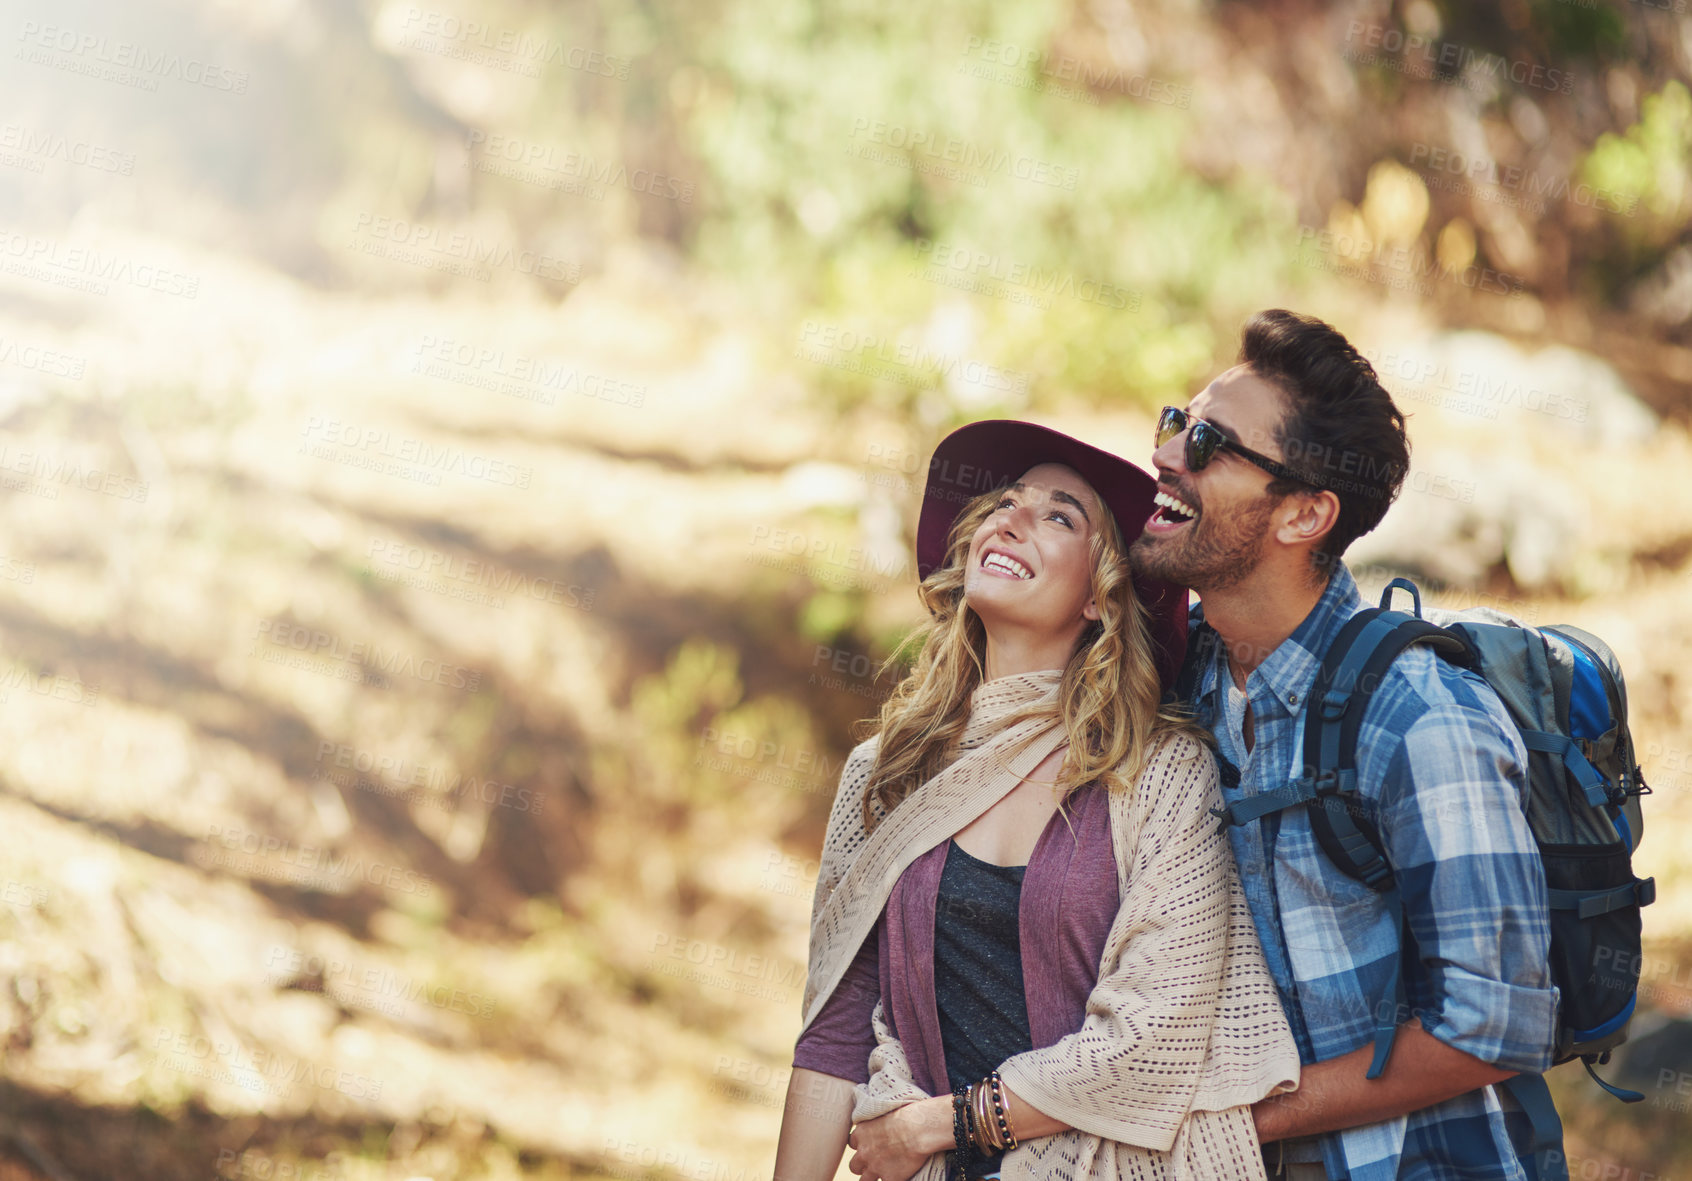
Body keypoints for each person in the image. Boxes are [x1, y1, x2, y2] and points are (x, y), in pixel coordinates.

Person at [773, 420, 1299, 1181]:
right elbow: (835, 1035)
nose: (1011, 518)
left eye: (1059, 516)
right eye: (1005, 503)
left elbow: (1153, 1038)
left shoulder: (1157, 771)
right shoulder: (887, 774)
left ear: (1100, 596)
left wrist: (939, 1124)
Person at [1130, 309, 1558, 1181]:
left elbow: (1493, 1023)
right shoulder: (1187, 683)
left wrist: (1244, 1118)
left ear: (1304, 514)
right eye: (1177, 421)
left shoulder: (1421, 718)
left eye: (1208, 440)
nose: (1169, 454)